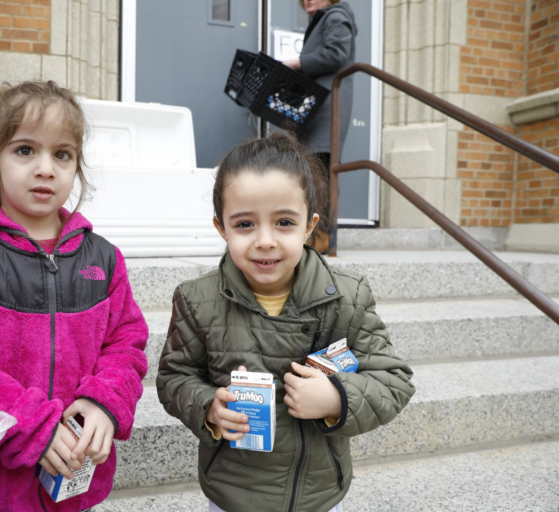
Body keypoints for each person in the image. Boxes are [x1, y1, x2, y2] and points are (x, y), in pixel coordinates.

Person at [0, 81, 149, 512]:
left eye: (62, 154)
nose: (45, 168)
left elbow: (126, 344)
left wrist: (104, 402)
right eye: (25, 150)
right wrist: (32, 427)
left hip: (75, 483)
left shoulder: (105, 259)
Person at [157, 131, 415, 512]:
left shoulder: (347, 297)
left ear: (309, 226)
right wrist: (209, 406)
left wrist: (337, 397)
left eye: (283, 222)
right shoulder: (197, 300)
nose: (265, 240)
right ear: (221, 227)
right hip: (233, 492)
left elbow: (393, 381)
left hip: (318, 494)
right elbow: (174, 376)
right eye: (245, 224)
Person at [284, 0, 357, 185]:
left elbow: (337, 53)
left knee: (320, 178)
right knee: (313, 179)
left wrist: (298, 63)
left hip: (326, 114)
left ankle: (325, 215)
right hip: (315, 112)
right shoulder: (323, 20)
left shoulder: (335, 16)